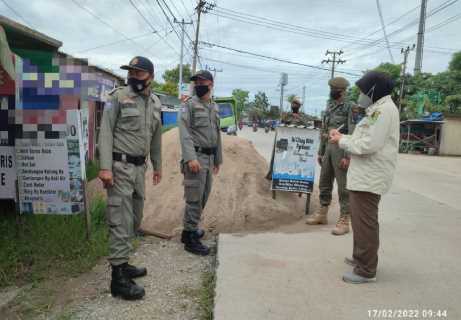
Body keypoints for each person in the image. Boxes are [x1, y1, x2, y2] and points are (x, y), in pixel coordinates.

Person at [98, 56, 162, 300]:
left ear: (150, 77)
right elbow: (105, 131)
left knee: (135, 217)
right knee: (120, 218)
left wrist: (157, 165)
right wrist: (105, 168)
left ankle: (123, 263)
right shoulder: (117, 97)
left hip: (139, 169)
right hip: (119, 167)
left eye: (138, 73)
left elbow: (155, 137)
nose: (133, 77)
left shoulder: (155, 102)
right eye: (131, 73)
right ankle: (118, 280)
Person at [329, 71, 399, 284]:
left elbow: (369, 145)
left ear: (373, 90)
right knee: (361, 222)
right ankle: (361, 258)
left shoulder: (383, 111)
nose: (359, 95)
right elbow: (364, 137)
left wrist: (342, 142)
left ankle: (367, 270)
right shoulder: (377, 109)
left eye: (361, 91)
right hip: (365, 175)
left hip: (370, 177)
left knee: (365, 223)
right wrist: (344, 137)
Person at [305, 77, 358, 236]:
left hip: (342, 148)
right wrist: (321, 151)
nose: (331, 91)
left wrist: (348, 156)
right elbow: (325, 130)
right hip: (328, 148)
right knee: (324, 182)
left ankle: (344, 219)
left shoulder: (351, 107)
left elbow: (353, 131)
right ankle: (322, 213)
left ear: (342, 91)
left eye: (333, 89)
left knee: (343, 186)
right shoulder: (329, 105)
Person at [178, 70, 223, 256]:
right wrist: (190, 158)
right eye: (196, 82)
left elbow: (217, 135)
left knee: (204, 196)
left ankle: (189, 230)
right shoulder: (189, 105)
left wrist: (218, 158)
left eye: (202, 81)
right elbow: (184, 132)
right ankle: (190, 237)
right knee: (194, 199)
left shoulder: (214, 106)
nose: (198, 84)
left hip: (209, 157)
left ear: (211, 84)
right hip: (196, 158)